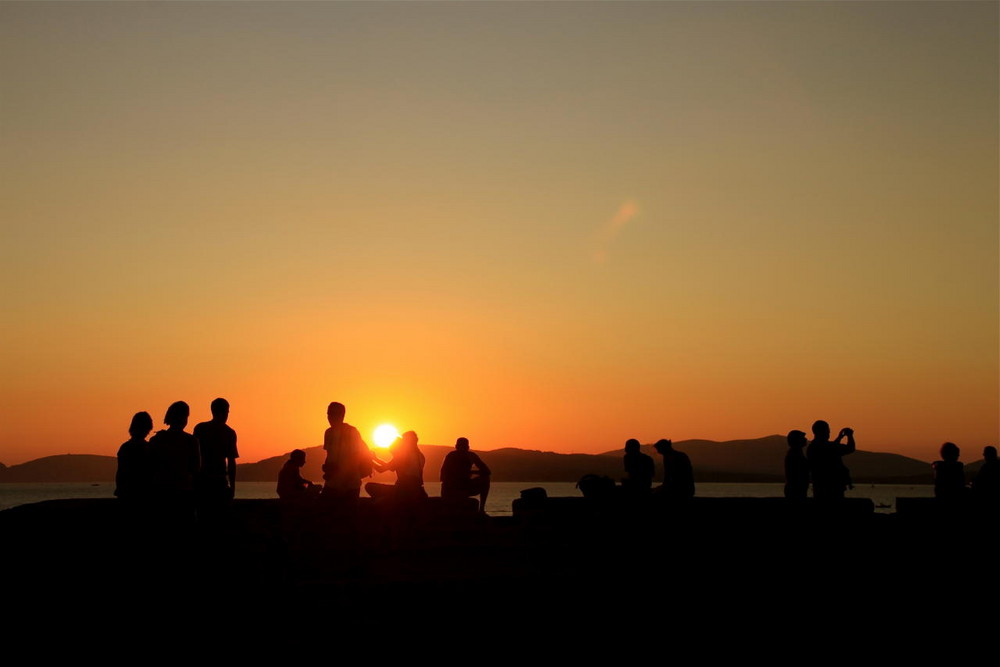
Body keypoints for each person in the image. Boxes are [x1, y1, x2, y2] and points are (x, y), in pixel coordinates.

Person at [148, 401, 201, 516]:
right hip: (183, 492)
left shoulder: (156, 440)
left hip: (160, 492)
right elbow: (196, 469)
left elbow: (150, 468)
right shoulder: (191, 441)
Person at [321, 402, 372, 504]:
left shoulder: (351, 432)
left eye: (333, 414)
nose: (330, 417)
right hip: (332, 482)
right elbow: (329, 454)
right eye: (329, 414)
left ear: (342, 415)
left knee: (347, 515)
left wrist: (344, 476)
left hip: (350, 484)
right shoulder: (328, 433)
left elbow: (355, 457)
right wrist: (327, 468)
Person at [192, 398, 239, 509]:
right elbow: (231, 462)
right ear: (225, 412)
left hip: (201, 482)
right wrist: (232, 487)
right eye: (227, 412)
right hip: (218, 482)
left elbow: (193, 457)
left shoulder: (200, 429)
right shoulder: (229, 433)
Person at [366, 430, 427, 502]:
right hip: (417, 490)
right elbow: (388, 466)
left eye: (403, 441)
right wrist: (375, 459)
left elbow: (381, 469)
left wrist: (369, 460)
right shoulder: (421, 456)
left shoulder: (404, 456)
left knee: (369, 486)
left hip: (403, 491)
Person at [806, 421, 855, 501]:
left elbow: (832, 449)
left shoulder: (812, 448)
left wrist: (839, 437)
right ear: (823, 431)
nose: (829, 432)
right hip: (833, 487)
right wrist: (850, 436)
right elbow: (850, 448)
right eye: (827, 430)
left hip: (819, 486)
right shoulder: (828, 447)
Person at [440, 437, 492, 512]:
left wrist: (471, 472)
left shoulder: (470, 455)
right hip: (454, 488)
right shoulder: (451, 456)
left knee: (486, 479)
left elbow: (487, 471)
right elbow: (443, 477)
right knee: (486, 479)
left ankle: (481, 508)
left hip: (463, 486)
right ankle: (481, 508)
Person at [115, 411, 154, 502]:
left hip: (127, 492)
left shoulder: (125, 447)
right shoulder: (148, 448)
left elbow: (121, 472)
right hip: (143, 492)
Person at [784, 430, 809, 500]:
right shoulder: (794, 454)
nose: (805, 439)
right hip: (795, 489)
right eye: (802, 437)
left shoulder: (796, 452)